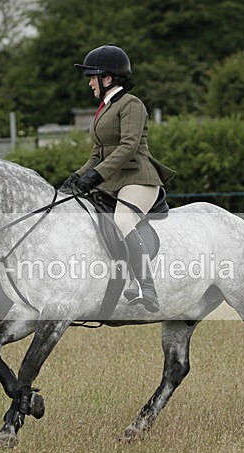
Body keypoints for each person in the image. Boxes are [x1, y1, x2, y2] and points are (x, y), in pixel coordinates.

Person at [60, 44, 175, 313]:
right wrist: (76, 178)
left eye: (92, 77)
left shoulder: (131, 104)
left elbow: (128, 146)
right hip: (113, 181)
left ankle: (146, 286)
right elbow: (97, 153)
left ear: (108, 78)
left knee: (122, 220)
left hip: (139, 178)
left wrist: (96, 175)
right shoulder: (105, 108)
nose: (90, 83)